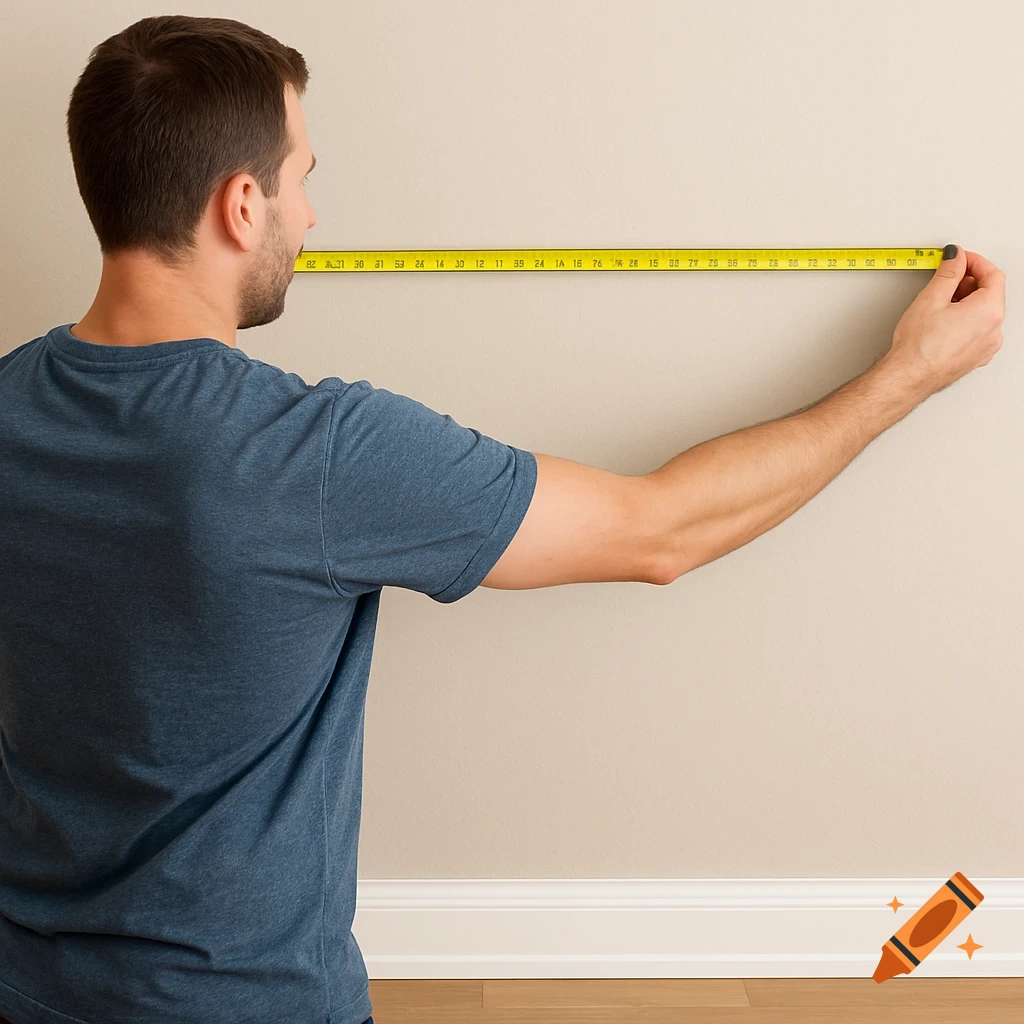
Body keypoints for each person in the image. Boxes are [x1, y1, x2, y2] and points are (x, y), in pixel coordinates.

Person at [0, 13, 1006, 1024]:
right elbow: (662, 531)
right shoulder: (318, 453)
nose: (311, 215)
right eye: (303, 177)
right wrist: (909, 375)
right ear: (243, 203)